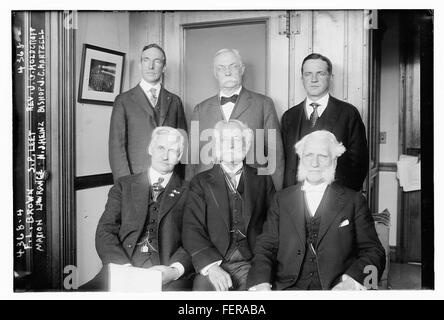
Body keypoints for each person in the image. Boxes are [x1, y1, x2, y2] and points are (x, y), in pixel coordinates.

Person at [247, 130, 385, 290]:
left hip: (335, 290)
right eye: (308, 155)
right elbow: (265, 246)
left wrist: (352, 282)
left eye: (322, 156)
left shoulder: (354, 201)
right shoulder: (281, 199)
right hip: (287, 288)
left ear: (334, 161)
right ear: (301, 159)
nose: (314, 163)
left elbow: (375, 252)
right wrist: (262, 282)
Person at [83, 127, 192, 291]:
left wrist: (174, 270)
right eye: (160, 148)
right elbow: (105, 230)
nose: (164, 156)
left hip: (166, 274)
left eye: (172, 151)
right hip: (123, 266)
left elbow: (196, 238)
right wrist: (124, 268)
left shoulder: (191, 191)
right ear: (150, 149)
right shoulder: (123, 185)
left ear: (179, 156)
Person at [183, 120, 275, 291]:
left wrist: (261, 268)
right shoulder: (200, 182)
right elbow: (191, 229)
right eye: (225, 140)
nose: (231, 145)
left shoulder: (263, 179)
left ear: (246, 145)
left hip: (252, 264)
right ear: (217, 146)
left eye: (237, 140)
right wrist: (212, 267)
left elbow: (273, 228)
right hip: (214, 263)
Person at [187, 48, 284, 190]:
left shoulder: (263, 104)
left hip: (253, 191)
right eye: (221, 68)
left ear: (242, 69)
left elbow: (275, 155)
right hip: (208, 193)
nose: (227, 72)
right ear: (215, 73)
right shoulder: (200, 109)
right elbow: (192, 159)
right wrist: (190, 195)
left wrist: (275, 199)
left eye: (233, 66)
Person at [281, 53, 368, 191]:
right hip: (295, 200)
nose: (313, 79)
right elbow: (285, 162)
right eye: (308, 74)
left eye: (320, 73)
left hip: (334, 200)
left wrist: (344, 199)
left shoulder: (348, 113)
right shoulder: (289, 116)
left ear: (330, 77)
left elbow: (359, 164)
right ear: (302, 78)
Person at [109, 43, 187, 181]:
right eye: (146, 60)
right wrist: (126, 185)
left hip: (170, 180)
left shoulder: (175, 101)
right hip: (136, 180)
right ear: (140, 65)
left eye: (156, 61)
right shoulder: (123, 101)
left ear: (164, 67)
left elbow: (182, 144)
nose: (150, 66)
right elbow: (116, 148)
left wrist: (180, 181)